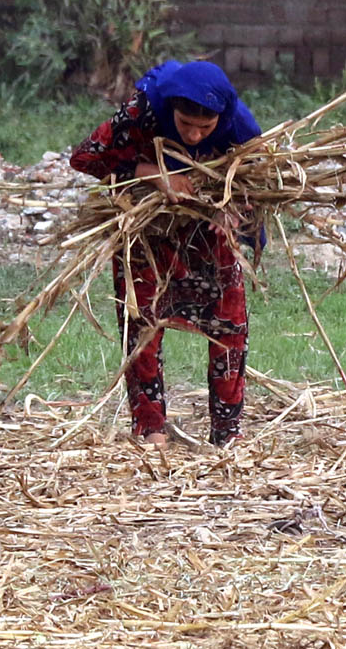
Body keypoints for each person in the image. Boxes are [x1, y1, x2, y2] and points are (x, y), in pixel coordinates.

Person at [70, 60, 262, 445]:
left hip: (209, 231)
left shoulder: (241, 128)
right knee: (142, 323)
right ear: (170, 108)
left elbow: (259, 179)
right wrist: (151, 172)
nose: (193, 135)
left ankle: (227, 434)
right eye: (184, 123)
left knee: (229, 326)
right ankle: (150, 429)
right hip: (148, 228)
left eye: (205, 128)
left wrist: (233, 206)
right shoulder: (141, 111)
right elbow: (86, 157)